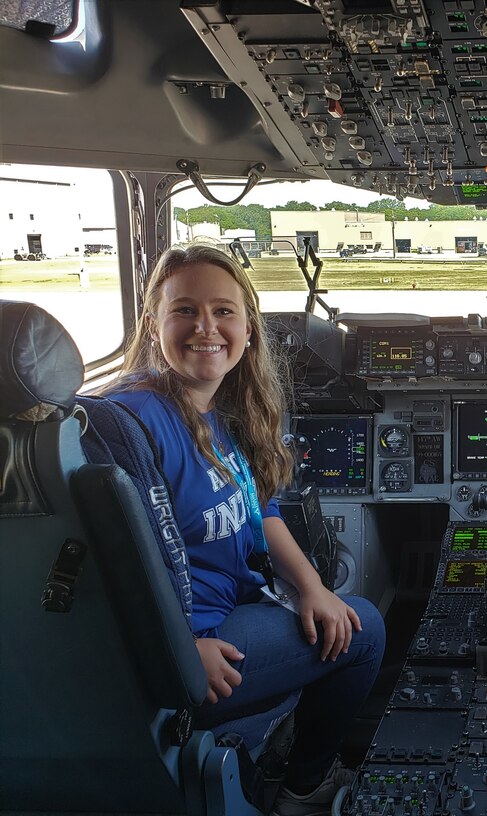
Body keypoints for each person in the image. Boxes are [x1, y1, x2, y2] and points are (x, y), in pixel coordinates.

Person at [104, 244, 385, 816]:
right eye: (184, 310)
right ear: (154, 323)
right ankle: (303, 791)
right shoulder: (130, 421)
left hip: (217, 618)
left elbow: (263, 508)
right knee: (369, 633)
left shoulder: (219, 414)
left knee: (338, 612)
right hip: (180, 654)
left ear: (249, 330)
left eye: (223, 311)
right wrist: (180, 649)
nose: (205, 327)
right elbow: (114, 557)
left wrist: (313, 589)